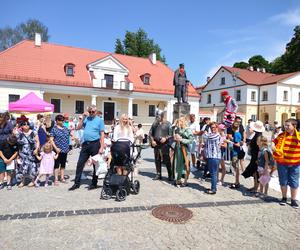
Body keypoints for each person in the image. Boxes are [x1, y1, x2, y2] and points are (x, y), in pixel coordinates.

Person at [69, 105, 105, 191]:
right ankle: (76, 183)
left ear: (96, 112)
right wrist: (83, 117)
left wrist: (102, 147)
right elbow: (78, 128)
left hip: (95, 144)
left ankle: (94, 183)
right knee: (80, 163)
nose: (91, 113)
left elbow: (102, 134)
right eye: (90, 112)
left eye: (93, 112)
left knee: (95, 164)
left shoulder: (100, 120)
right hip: (86, 144)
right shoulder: (87, 118)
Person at [272, 118, 300, 209]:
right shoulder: (281, 135)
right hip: (282, 163)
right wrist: (273, 146)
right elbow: (273, 142)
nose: (286, 127)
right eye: (285, 125)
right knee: (283, 181)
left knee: (294, 182)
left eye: (288, 125)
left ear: (294, 126)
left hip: (295, 164)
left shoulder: (299, 136)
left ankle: (293, 200)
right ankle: (284, 198)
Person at [16, 119, 40, 187]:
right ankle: (22, 182)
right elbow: (17, 144)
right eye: (24, 124)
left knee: (32, 167)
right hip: (22, 154)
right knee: (22, 168)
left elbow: (37, 141)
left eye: (27, 124)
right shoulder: (19, 134)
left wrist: (37, 149)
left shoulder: (34, 133)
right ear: (22, 126)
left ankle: (32, 181)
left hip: (32, 153)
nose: (26, 126)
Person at [149, 111, 173, 181]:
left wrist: (165, 138)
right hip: (156, 144)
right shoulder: (155, 124)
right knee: (157, 159)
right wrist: (152, 141)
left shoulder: (168, 124)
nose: (159, 117)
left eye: (160, 116)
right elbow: (150, 133)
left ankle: (170, 175)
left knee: (167, 160)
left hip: (164, 145)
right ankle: (158, 174)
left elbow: (171, 134)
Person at [242, 120, 264, 193]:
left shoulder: (258, 136)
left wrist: (258, 158)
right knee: (254, 172)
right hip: (255, 156)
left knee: (256, 172)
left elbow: (260, 148)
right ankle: (255, 186)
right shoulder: (257, 135)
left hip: (256, 157)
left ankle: (256, 188)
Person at [173, 116, 193, 187]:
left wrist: (182, 140)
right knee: (179, 164)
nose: (179, 123)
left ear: (183, 122)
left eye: (180, 121)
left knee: (186, 164)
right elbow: (171, 130)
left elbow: (191, 140)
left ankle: (185, 181)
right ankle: (178, 179)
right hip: (179, 147)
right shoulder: (179, 129)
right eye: (178, 121)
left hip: (185, 148)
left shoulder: (188, 130)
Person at [50, 114, 70, 185]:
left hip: (65, 149)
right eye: (61, 120)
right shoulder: (54, 129)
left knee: (63, 164)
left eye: (63, 120)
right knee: (56, 164)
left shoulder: (65, 128)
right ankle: (56, 179)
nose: (62, 121)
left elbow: (69, 136)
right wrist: (55, 148)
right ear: (57, 121)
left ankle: (62, 177)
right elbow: (51, 140)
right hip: (57, 149)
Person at [228, 122, 242, 189]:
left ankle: (237, 182)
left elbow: (238, 144)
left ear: (233, 128)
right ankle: (237, 181)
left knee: (236, 168)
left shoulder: (236, 134)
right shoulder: (238, 133)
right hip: (237, 152)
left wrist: (231, 141)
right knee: (236, 167)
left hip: (235, 152)